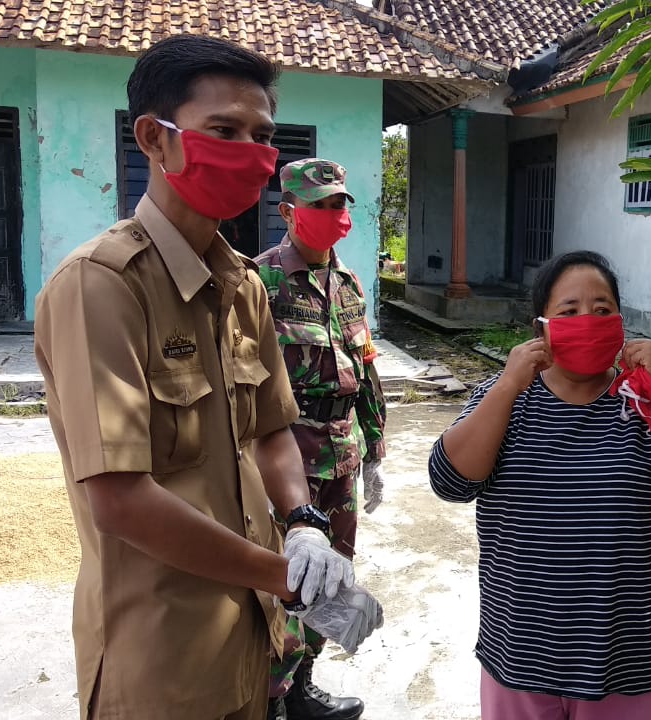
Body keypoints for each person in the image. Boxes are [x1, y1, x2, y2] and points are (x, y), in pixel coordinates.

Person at [33, 35, 382, 720]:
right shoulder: (100, 287)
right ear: (154, 141)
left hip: (247, 638)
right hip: (161, 658)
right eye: (223, 130)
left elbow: (274, 428)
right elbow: (121, 499)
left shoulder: (242, 285)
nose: (250, 152)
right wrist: (286, 576)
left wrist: (304, 521)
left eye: (261, 135)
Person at [428, 250, 651, 720]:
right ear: (542, 329)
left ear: (620, 324)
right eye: (569, 311)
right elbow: (450, 481)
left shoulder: (644, 405)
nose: (587, 320)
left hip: (623, 663)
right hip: (519, 656)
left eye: (601, 310)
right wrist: (509, 385)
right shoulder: (508, 398)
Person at [255, 158, 387, 720]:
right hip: (289, 459)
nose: (335, 215)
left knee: (334, 579)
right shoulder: (260, 281)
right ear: (288, 212)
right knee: (284, 585)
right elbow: (248, 385)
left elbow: (367, 368)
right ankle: (268, 699)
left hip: (343, 452)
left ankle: (303, 688)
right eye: (321, 206)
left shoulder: (349, 283)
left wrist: (377, 448)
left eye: (340, 205)